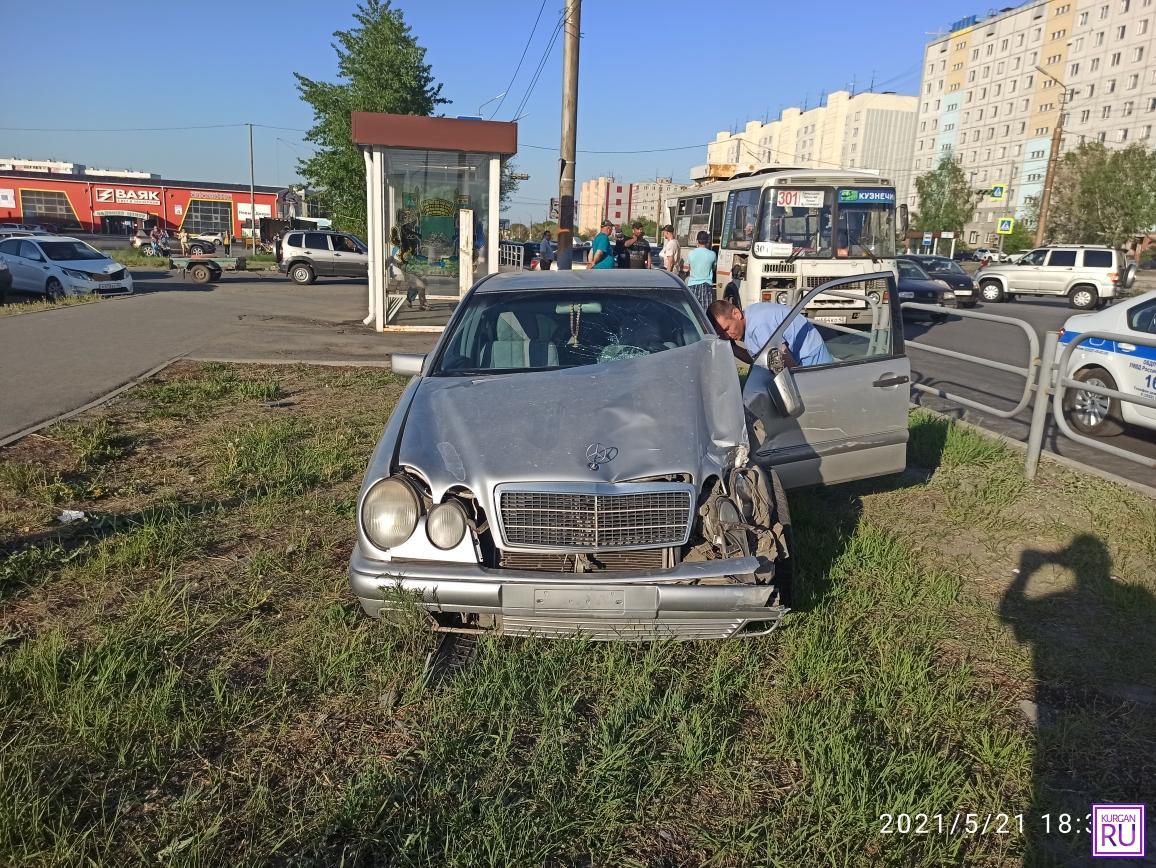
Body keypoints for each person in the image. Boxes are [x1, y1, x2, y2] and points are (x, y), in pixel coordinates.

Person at [707, 299, 834, 368]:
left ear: (736, 314)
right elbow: (757, 359)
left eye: (726, 329)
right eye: (721, 334)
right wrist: (732, 347)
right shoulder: (748, 318)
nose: (727, 335)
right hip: (799, 356)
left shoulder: (759, 324)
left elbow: (780, 358)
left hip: (811, 358)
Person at [686, 230, 717, 310]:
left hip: (692, 285)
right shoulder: (712, 254)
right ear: (708, 241)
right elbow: (713, 268)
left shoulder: (691, 253)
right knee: (705, 312)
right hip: (706, 286)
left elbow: (690, 268)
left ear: (697, 241)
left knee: (693, 311)